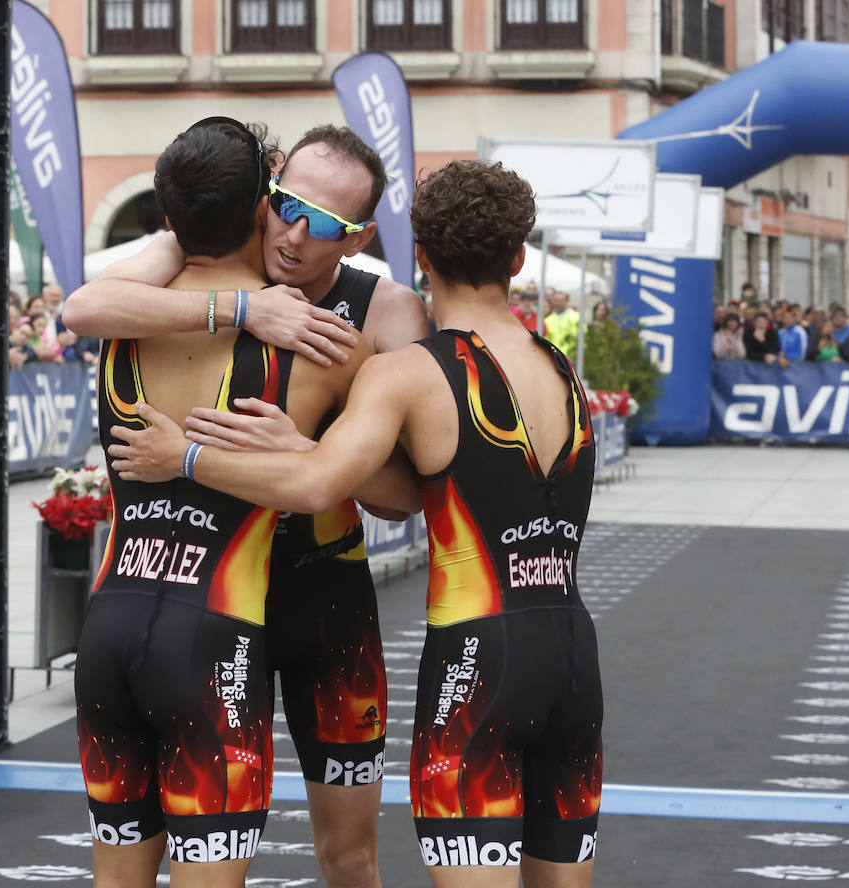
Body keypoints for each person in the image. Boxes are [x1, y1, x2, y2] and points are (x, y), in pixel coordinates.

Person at [108, 159, 603, 887]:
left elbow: (316, 483)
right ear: (521, 258)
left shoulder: (406, 367)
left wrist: (182, 457)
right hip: (567, 653)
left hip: (471, 659)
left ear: (417, 253)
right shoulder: (563, 371)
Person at [66, 124, 430, 888]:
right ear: (264, 196)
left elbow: (404, 497)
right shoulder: (176, 276)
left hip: (316, 597)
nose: (296, 236)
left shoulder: (378, 314)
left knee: (349, 856)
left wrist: (313, 457)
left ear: (358, 236)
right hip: (214, 599)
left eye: (325, 225)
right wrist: (241, 308)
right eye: (288, 207)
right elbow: (85, 306)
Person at [544, 288, 581, 355]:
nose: (559, 303)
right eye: (557, 300)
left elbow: (577, 338)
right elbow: (546, 339)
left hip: (571, 356)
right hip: (553, 355)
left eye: (562, 300)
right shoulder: (548, 319)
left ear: (567, 301)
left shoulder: (576, 317)